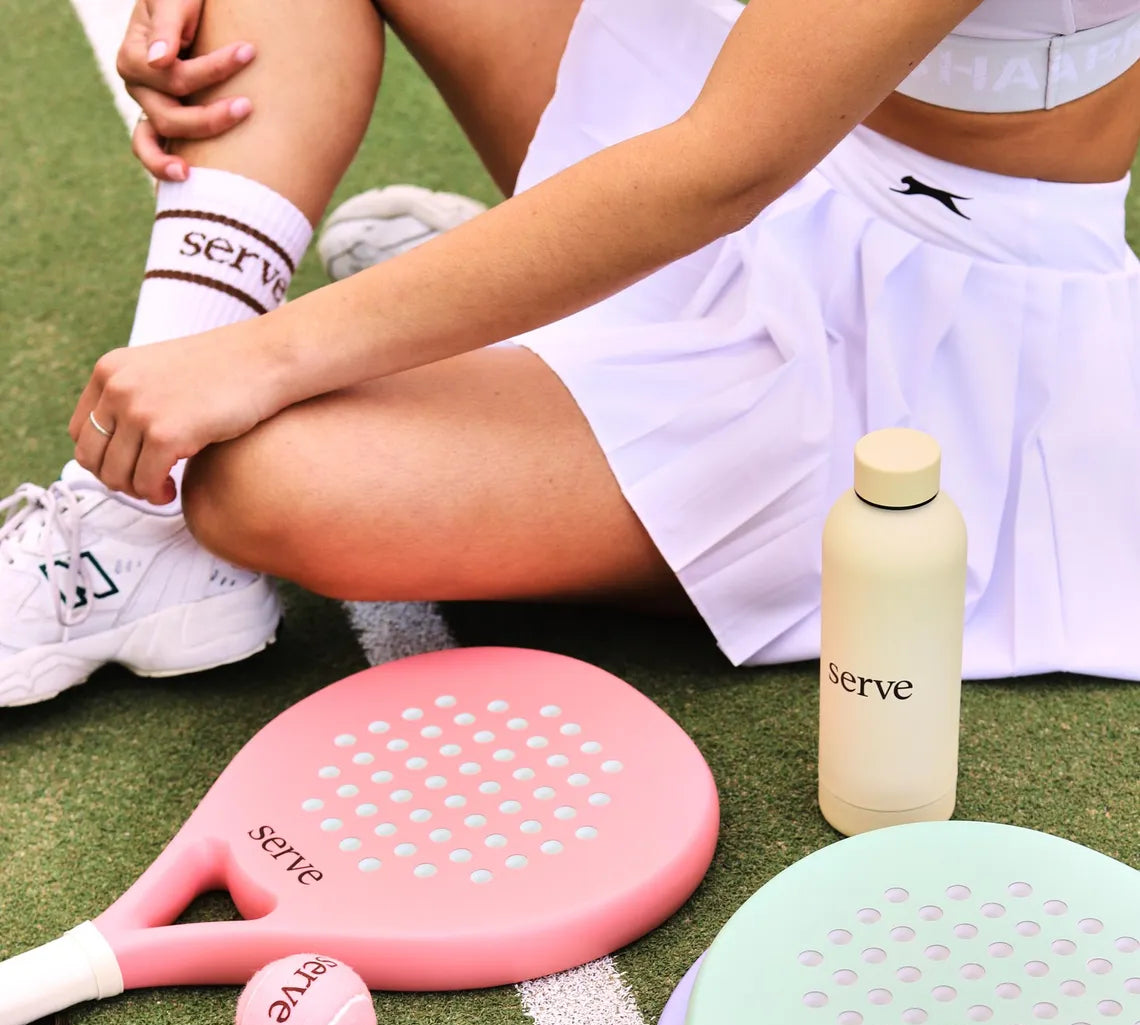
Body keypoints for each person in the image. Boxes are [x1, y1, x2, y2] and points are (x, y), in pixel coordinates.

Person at [2, 0, 1138, 708]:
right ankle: (132, 522)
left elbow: (725, 167)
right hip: (744, 99)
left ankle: (207, 462)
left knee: (260, 480)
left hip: (900, 321)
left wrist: (266, 355)